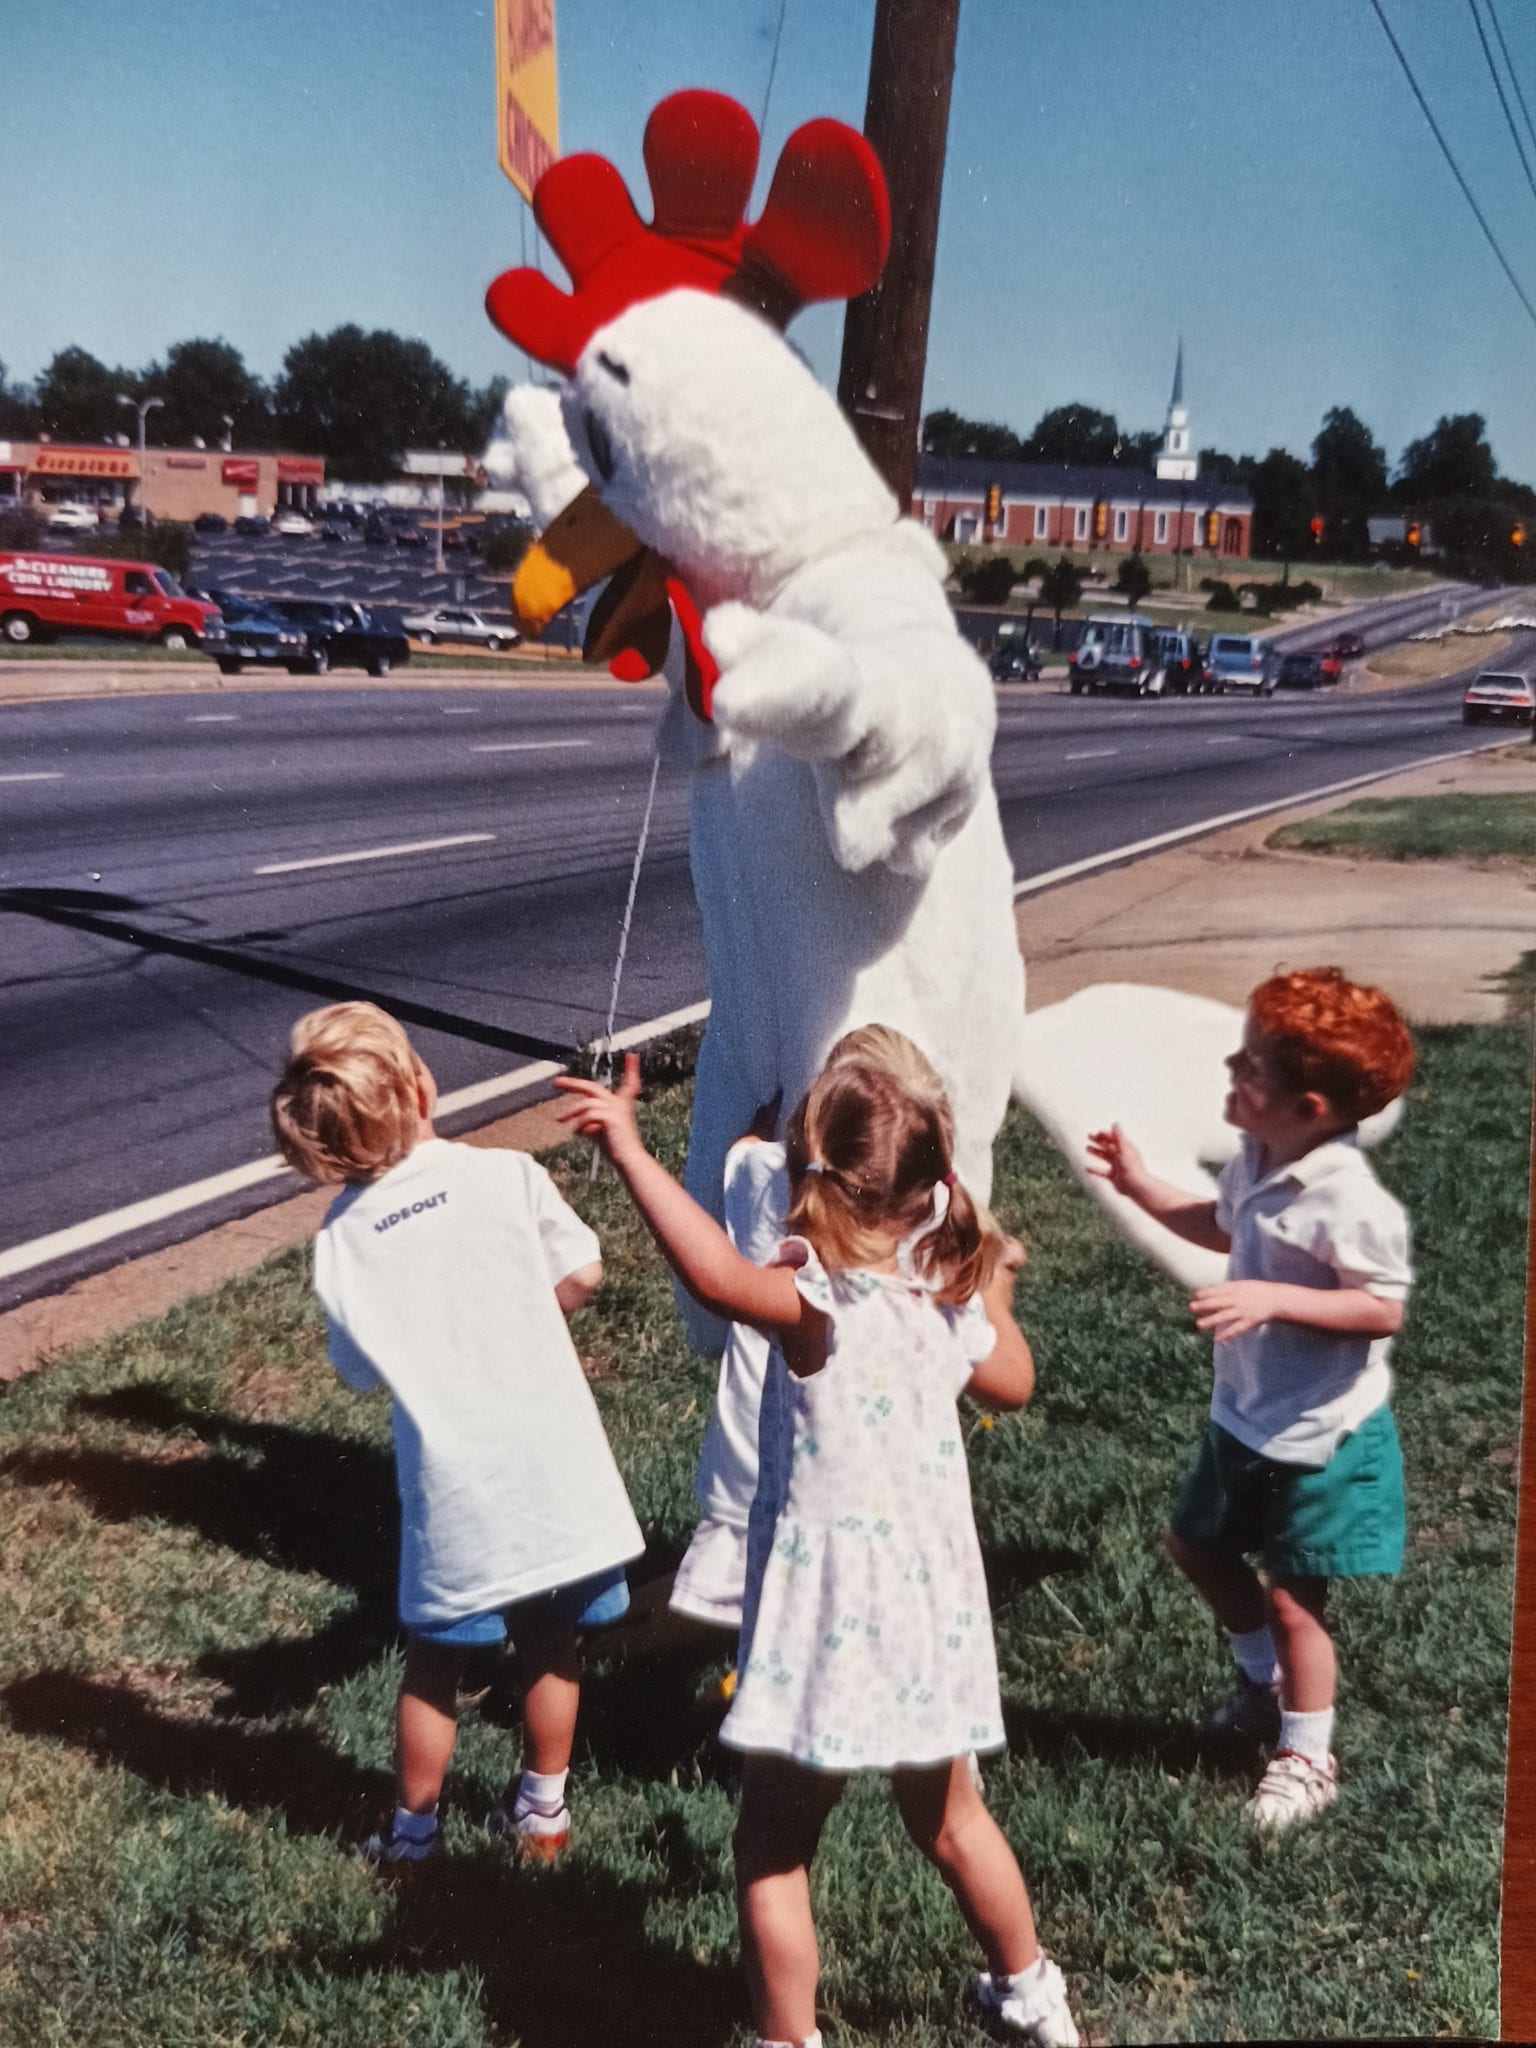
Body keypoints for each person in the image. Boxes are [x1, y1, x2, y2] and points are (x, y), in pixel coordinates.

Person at [557, 1028, 1079, 2048]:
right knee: (952, 1820)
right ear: (928, 1186)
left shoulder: (817, 1304)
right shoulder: (940, 1289)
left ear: (812, 1179)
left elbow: (713, 1275)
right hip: (929, 1613)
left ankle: (786, 2040)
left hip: (831, 1620)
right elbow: (1011, 1379)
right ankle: (1035, 2001)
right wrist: (994, 1284)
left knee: (772, 1848)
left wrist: (629, 1146)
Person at [270, 1001, 644, 1872]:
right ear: (420, 1084)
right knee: (555, 1640)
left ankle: (414, 1831)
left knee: (434, 1663)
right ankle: (542, 1814)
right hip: (555, 1471)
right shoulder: (506, 1176)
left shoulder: (342, 1240)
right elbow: (584, 1272)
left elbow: (361, 1370)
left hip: (455, 1490)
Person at [1087, 966, 1415, 1830]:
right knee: (1195, 1546)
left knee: (1292, 1598)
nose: (1232, 1075)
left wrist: (1275, 1298)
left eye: (1251, 1071)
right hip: (1246, 1415)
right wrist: (1140, 1185)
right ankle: (1262, 1681)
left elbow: (1382, 1305)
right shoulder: (1259, 1158)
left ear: (1310, 1109)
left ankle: (1307, 1755)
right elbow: (1221, 1222)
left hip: (1320, 1433)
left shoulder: (1346, 1201)